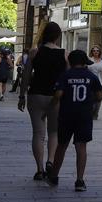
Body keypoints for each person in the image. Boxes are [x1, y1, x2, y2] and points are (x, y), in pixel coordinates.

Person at [46, 49, 102, 191]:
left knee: (62, 146)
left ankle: (54, 176)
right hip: (84, 116)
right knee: (81, 147)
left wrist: (50, 108)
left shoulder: (65, 75)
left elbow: (58, 94)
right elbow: (99, 96)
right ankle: (79, 180)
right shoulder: (91, 77)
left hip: (66, 115)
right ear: (84, 62)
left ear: (70, 62)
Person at [18, 22, 68, 181]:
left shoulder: (34, 52)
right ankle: (50, 161)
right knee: (54, 132)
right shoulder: (64, 54)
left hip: (36, 95)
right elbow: (67, 77)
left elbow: (26, 75)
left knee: (38, 134)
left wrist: (21, 95)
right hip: (56, 97)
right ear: (58, 36)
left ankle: (39, 169)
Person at [86, 46, 102, 119]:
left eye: (97, 51)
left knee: (98, 98)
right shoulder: (89, 59)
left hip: (99, 82)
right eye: (94, 51)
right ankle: (91, 112)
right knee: (90, 98)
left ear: (99, 52)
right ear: (92, 52)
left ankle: (96, 113)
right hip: (90, 82)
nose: (95, 52)